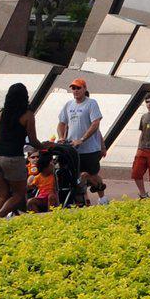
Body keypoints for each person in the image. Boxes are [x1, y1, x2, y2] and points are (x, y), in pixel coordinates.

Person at [0, 81, 39, 217]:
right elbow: (33, 140)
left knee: (2, 195)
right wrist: (46, 145)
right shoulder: (27, 115)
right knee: (18, 194)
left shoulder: (3, 114)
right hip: (13, 157)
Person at [56, 76, 108, 204]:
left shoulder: (91, 103)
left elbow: (95, 123)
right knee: (76, 175)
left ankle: (102, 197)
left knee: (91, 173)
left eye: (78, 88)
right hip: (72, 148)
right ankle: (83, 199)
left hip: (89, 148)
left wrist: (83, 139)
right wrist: (62, 137)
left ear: (84, 89)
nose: (75, 90)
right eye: (73, 88)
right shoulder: (68, 105)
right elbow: (61, 123)